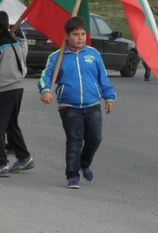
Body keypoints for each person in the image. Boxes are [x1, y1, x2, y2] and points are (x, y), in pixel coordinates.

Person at [38, 16, 116, 189]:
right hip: (69, 106)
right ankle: (72, 175)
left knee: (95, 139)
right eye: (76, 34)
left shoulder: (93, 54)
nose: (80, 37)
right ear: (67, 36)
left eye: (82, 34)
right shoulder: (57, 57)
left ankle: (84, 163)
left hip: (92, 104)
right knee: (74, 140)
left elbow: (103, 78)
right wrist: (45, 91)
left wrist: (108, 97)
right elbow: (46, 76)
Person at [0, 11, 33, 177]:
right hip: (18, 88)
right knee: (11, 125)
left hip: (5, 90)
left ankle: (1, 164)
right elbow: (23, 54)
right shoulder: (15, 41)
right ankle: (24, 158)